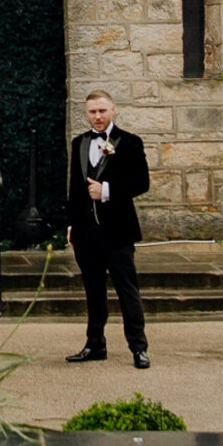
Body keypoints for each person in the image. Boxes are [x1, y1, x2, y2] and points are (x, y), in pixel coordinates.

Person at [65, 87, 151, 369]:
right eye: (92, 112)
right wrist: (71, 225)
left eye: (102, 111)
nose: (98, 116)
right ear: (86, 113)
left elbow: (141, 182)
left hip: (118, 230)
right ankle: (95, 344)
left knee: (127, 290)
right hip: (86, 233)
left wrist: (107, 190)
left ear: (112, 110)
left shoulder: (130, 142)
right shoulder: (79, 143)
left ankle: (138, 347)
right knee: (93, 290)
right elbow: (75, 190)